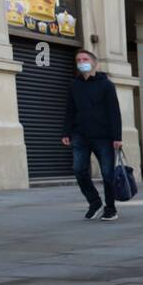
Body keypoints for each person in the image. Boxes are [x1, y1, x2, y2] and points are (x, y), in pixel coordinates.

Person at [61, 49, 123, 221]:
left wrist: (117, 137)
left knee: (107, 174)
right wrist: (66, 132)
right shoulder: (74, 85)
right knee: (79, 170)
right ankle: (94, 202)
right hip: (80, 135)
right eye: (79, 60)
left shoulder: (106, 85)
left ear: (94, 63)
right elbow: (70, 110)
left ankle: (110, 208)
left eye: (85, 59)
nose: (82, 62)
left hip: (104, 137)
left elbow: (114, 112)